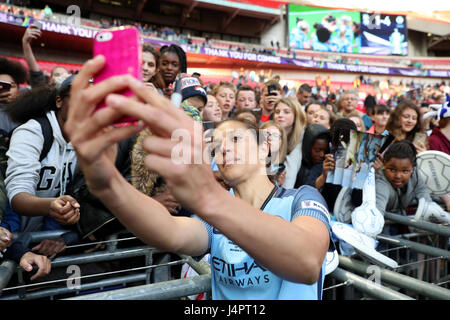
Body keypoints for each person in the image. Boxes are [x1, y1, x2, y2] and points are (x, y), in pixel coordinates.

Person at [63, 56, 333, 299]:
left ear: (264, 148)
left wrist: (209, 198)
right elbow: (169, 232)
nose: (224, 148)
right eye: (216, 145)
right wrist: (108, 184)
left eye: (236, 139)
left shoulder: (302, 198)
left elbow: (307, 263)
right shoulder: (212, 215)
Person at [4, 75, 80, 258]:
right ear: (59, 101)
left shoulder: (85, 143)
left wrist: (63, 235)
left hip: (40, 241)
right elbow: (17, 196)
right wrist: (52, 206)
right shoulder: (32, 132)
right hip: (8, 234)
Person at [375, 140, 449, 233]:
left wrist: (434, 210)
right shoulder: (381, 183)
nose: (398, 175)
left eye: (405, 171)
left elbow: (423, 193)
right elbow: (378, 209)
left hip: (399, 224)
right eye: (392, 169)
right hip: (382, 229)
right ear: (384, 165)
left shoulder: (415, 174)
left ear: (412, 168)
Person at [273, 97, 306, 189]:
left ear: (296, 115)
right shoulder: (269, 133)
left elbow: (290, 172)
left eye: (286, 112)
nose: (280, 115)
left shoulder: (301, 137)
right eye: (277, 112)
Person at [294, 124, 330, 188]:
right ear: (307, 147)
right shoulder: (295, 163)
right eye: (317, 150)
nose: (322, 155)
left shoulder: (326, 166)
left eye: (325, 151)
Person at [0, 57, 28, 135]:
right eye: (1, 85)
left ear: (18, 89)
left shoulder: (27, 109)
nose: (6, 90)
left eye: (10, 86)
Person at [260, 121, 288, 186]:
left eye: (275, 135)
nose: (269, 138)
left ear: (281, 142)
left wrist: (278, 186)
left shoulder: (281, 171)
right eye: (266, 134)